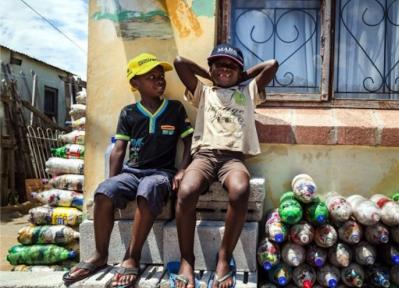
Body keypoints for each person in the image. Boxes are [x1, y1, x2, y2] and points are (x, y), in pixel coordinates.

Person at [62, 53, 193, 288]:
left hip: (160, 173)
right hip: (131, 172)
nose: (159, 80)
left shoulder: (175, 109)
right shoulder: (128, 112)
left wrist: (182, 170)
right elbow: (118, 150)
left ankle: (132, 255)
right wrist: (113, 185)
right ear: (135, 84)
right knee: (103, 192)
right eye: (151, 77)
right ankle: (100, 255)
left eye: (161, 76)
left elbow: (190, 143)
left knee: (149, 188)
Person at [172, 44, 278, 288]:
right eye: (219, 65)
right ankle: (187, 259)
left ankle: (223, 258)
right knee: (186, 192)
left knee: (241, 189)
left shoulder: (248, 91)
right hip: (204, 157)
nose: (224, 69)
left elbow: (271, 65)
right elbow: (180, 62)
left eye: (231, 66)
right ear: (211, 69)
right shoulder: (204, 92)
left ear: (239, 71)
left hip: (232, 159)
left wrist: (243, 75)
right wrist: (209, 73)